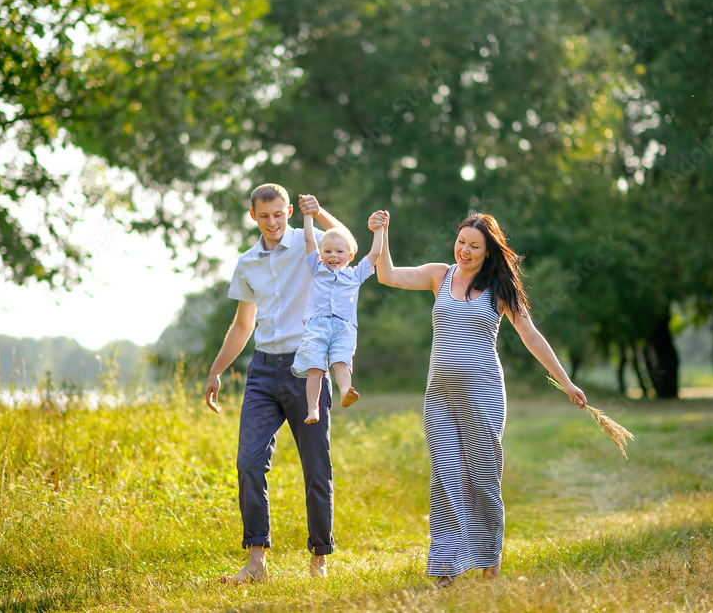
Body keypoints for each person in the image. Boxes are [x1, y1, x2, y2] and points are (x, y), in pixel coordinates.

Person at [374, 210, 588, 587]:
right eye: (461, 242)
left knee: (483, 480)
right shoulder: (439, 275)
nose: (465, 251)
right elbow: (387, 275)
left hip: (483, 394)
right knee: (445, 477)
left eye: (474, 246)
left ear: (488, 252)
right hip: (438, 395)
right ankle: (446, 568)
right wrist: (382, 233)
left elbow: (531, 336)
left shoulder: (499, 289)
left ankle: (490, 565)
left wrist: (566, 382)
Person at [203, 183, 351, 584]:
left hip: (306, 369)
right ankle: (256, 562)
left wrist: (318, 214)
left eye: (278, 214)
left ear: (288, 210)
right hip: (262, 371)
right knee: (248, 462)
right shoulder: (247, 262)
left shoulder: (311, 243)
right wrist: (216, 370)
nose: (272, 222)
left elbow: (347, 241)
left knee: (316, 467)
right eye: (264, 215)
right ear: (253, 216)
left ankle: (319, 559)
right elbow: (242, 324)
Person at [293, 210, 386, 424]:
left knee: (341, 363)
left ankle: (345, 392)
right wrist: (308, 216)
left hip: (344, 328)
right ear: (321, 253)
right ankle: (312, 409)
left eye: (339, 251)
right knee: (314, 369)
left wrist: (379, 230)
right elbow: (309, 239)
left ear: (350, 256)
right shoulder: (317, 269)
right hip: (317, 327)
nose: (333, 255)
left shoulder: (355, 275)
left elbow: (374, 254)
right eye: (327, 251)